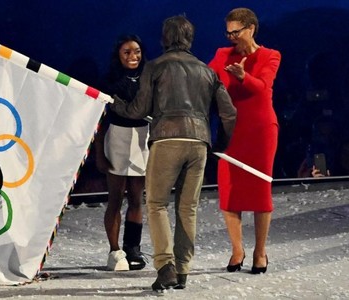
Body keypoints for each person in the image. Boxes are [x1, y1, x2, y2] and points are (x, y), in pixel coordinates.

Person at [110, 15, 237, 291]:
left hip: (167, 139)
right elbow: (229, 113)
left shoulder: (154, 67)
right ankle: (182, 270)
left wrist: (115, 103)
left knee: (156, 204)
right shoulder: (207, 71)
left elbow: (138, 110)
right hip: (199, 141)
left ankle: (165, 265)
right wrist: (219, 145)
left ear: (164, 39)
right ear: (189, 39)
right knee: (187, 208)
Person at [208, 7, 281, 274]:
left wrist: (243, 76)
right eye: (228, 32)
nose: (231, 37)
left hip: (261, 131)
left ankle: (260, 252)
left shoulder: (271, 56)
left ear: (250, 29)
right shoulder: (222, 54)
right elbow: (206, 78)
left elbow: (262, 87)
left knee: (260, 192)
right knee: (230, 191)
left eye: (235, 32)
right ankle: (237, 250)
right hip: (231, 131)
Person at [94, 35, 149, 271]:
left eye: (136, 51)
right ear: (118, 54)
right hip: (116, 137)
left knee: (137, 198)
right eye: (127, 52)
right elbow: (99, 121)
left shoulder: (149, 77)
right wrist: (99, 153)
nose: (133, 56)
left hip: (142, 138)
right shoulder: (108, 80)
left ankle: (132, 248)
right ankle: (115, 251)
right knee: (115, 199)